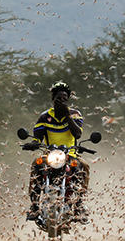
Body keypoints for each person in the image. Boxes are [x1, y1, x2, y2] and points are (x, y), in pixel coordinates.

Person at [24, 81, 90, 224]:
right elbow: (38, 138)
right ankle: (34, 206)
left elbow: (77, 134)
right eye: (58, 98)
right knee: (36, 164)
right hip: (50, 155)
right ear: (53, 99)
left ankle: (79, 205)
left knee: (83, 166)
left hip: (70, 155)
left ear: (68, 100)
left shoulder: (75, 114)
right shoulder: (44, 116)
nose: (61, 101)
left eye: (64, 98)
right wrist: (32, 144)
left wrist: (67, 116)